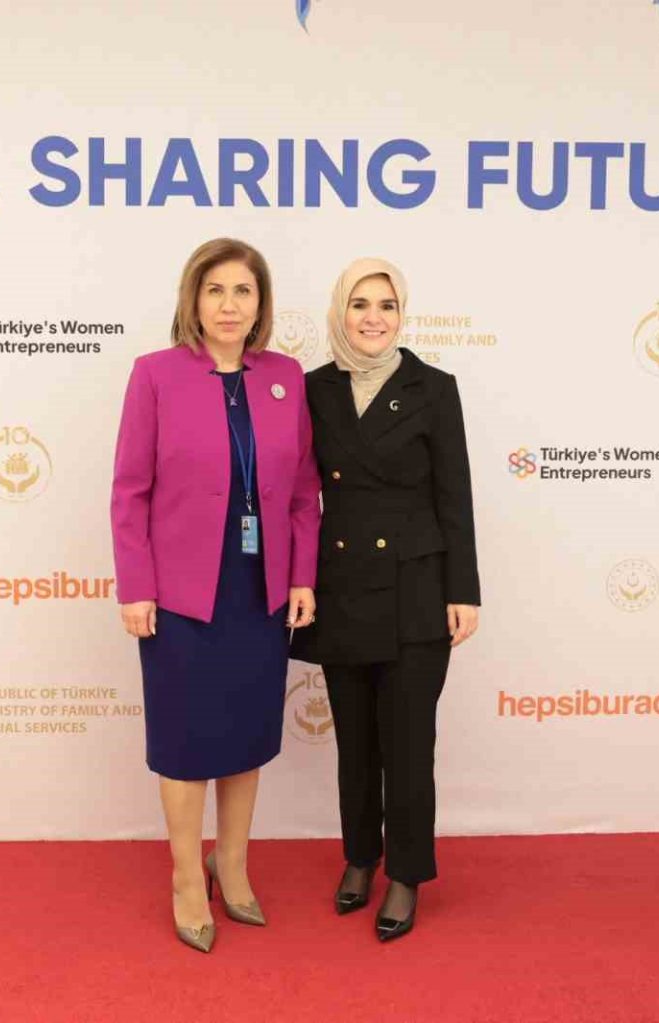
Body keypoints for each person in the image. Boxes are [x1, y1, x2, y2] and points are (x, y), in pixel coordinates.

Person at [110, 237, 320, 953]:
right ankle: (185, 878)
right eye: (216, 290)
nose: (230, 305)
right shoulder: (156, 374)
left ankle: (231, 864)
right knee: (184, 740)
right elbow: (130, 491)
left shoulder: (286, 377)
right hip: (179, 595)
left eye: (244, 291)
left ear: (261, 304)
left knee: (244, 733)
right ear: (193, 300)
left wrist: (302, 576)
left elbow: (303, 492)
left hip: (259, 591)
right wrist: (137, 587)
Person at [290, 258, 480, 943]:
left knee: (407, 742)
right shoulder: (313, 388)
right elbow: (298, 493)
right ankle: (360, 856)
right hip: (342, 585)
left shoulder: (434, 388)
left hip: (415, 591)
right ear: (340, 311)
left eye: (387, 305)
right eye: (360, 304)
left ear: (402, 314)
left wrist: (463, 590)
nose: (374, 317)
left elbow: (454, 494)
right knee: (355, 741)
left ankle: (406, 871)